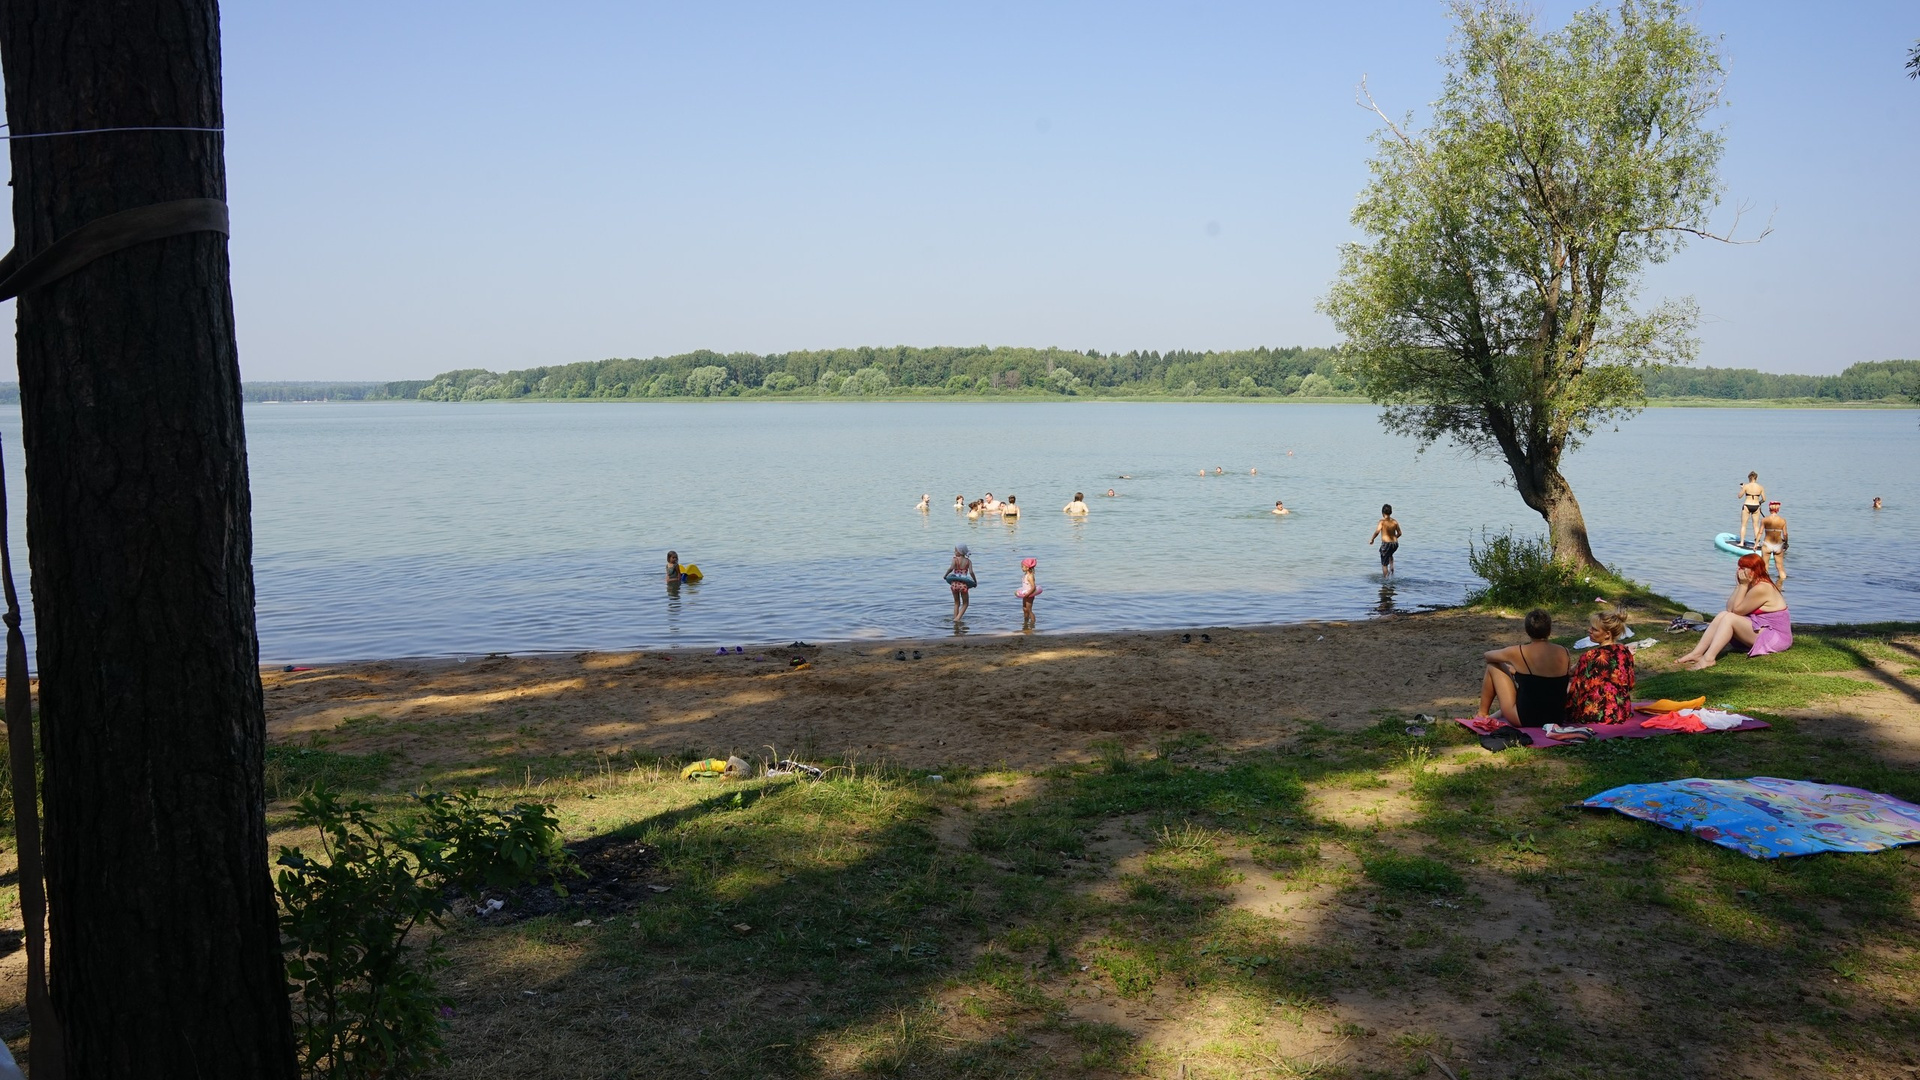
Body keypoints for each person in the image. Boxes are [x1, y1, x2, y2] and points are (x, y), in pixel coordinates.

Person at [1675, 553, 1790, 669]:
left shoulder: (1762, 588)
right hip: (1761, 627)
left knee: (1729, 618)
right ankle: (1697, 653)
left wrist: (1743, 586)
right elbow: (1730, 609)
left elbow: (1737, 612)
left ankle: (1708, 659)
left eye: (1744, 568)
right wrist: (1740, 586)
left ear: (1754, 570)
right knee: (1723, 615)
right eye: (1739, 567)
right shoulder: (1751, 584)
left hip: (1776, 637)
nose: (1739, 571)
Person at [1477, 608, 1571, 727]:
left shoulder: (1519, 651)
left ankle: (1482, 714)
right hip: (1556, 718)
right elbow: (1546, 682)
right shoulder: (1564, 652)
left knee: (1493, 665)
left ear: (1527, 630)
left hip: (1526, 719)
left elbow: (1488, 656)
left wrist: (1511, 664)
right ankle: (1486, 715)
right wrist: (1517, 671)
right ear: (1549, 630)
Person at [1569, 610, 1635, 726]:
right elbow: (1631, 683)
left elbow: (1577, 688)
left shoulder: (1589, 656)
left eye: (1594, 629)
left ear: (1607, 634)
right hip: (1621, 711)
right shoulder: (1625, 652)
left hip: (1594, 713)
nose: (1589, 630)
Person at [1758, 500, 1789, 584]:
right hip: (1778, 544)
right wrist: (1786, 543)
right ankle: (1781, 584)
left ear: (1769, 509)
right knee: (1780, 567)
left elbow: (1760, 532)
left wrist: (1756, 543)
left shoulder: (1764, 519)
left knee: (1765, 566)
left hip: (1767, 544)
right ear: (1778, 509)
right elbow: (1785, 534)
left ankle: (1764, 584)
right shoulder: (1783, 520)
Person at [1368, 504, 1402, 575]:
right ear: (1391, 512)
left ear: (1382, 513)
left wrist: (1372, 539)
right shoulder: (1394, 521)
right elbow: (1399, 533)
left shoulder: (1382, 522)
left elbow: (1377, 531)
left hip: (1386, 544)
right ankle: (1392, 568)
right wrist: (1394, 538)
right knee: (1390, 554)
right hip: (1395, 544)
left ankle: (1386, 579)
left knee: (1384, 564)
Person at [945, 544, 976, 622]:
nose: (954, 552)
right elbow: (971, 572)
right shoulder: (968, 561)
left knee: (956, 603)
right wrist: (975, 581)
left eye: (956, 550)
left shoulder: (955, 560)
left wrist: (945, 575)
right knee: (965, 603)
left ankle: (955, 619)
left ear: (960, 551)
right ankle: (957, 619)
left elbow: (951, 568)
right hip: (963, 585)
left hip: (954, 584)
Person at [1738, 471, 1767, 546]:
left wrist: (1742, 488)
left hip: (1747, 505)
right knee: (1756, 526)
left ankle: (1741, 542)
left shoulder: (1746, 486)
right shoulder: (1760, 487)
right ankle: (1757, 543)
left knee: (1744, 525)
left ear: (1749, 478)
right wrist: (1759, 502)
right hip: (1756, 506)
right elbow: (1764, 499)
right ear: (1756, 478)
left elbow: (1739, 496)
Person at [1016, 556, 1041, 628]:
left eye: (1022, 566)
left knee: (1029, 610)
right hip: (1026, 594)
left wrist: (1028, 594)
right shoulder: (1025, 575)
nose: (1021, 568)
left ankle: (1033, 623)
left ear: (1027, 568)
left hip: (1030, 594)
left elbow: (1033, 587)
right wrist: (1025, 594)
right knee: (1024, 608)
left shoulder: (1030, 576)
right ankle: (1026, 622)